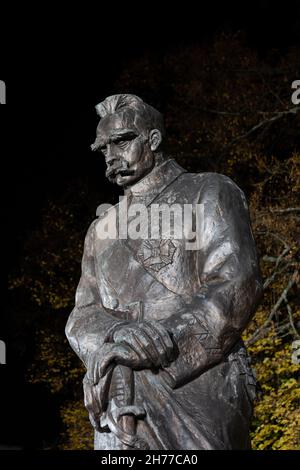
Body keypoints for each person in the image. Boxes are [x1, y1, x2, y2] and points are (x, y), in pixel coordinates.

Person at [65, 94, 263, 450]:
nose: (111, 154)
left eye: (122, 140)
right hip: (119, 392)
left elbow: (237, 282)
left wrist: (164, 340)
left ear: (153, 140)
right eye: (103, 147)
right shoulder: (101, 230)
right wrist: (118, 334)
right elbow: (82, 314)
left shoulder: (210, 191)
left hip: (196, 381)